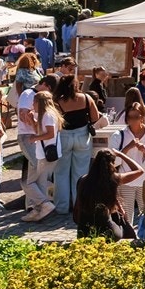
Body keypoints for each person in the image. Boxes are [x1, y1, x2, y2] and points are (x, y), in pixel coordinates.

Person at [52, 74, 99, 221]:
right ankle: (79, 205)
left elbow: (54, 120)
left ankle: (61, 207)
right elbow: (95, 117)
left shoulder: (57, 101)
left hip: (64, 135)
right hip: (82, 135)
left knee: (61, 173)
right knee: (80, 172)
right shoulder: (86, 98)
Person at [72, 148, 143, 240]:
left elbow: (77, 208)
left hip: (84, 230)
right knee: (126, 229)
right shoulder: (113, 179)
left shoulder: (82, 180)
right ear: (112, 163)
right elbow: (139, 170)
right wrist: (121, 155)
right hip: (106, 230)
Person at [110, 101, 145, 219]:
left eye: (136, 117)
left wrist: (144, 152)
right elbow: (112, 161)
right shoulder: (118, 135)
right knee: (126, 216)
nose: (133, 120)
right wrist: (127, 148)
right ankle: (127, 236)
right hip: (126, 180)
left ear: (142, 118)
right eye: (130, 117)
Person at [22, 87, 60, 221]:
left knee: (28, 183)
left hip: (43, 153)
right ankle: (40, 211)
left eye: (34, 102)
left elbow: (50, 133)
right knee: (40, 183)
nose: (32, 105)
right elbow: (40, 130)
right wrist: (32, 121)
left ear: (40, 102)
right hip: (44, 153)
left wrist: (34, 139)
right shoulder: (46, 115)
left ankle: (45, 205)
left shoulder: (48, 115)